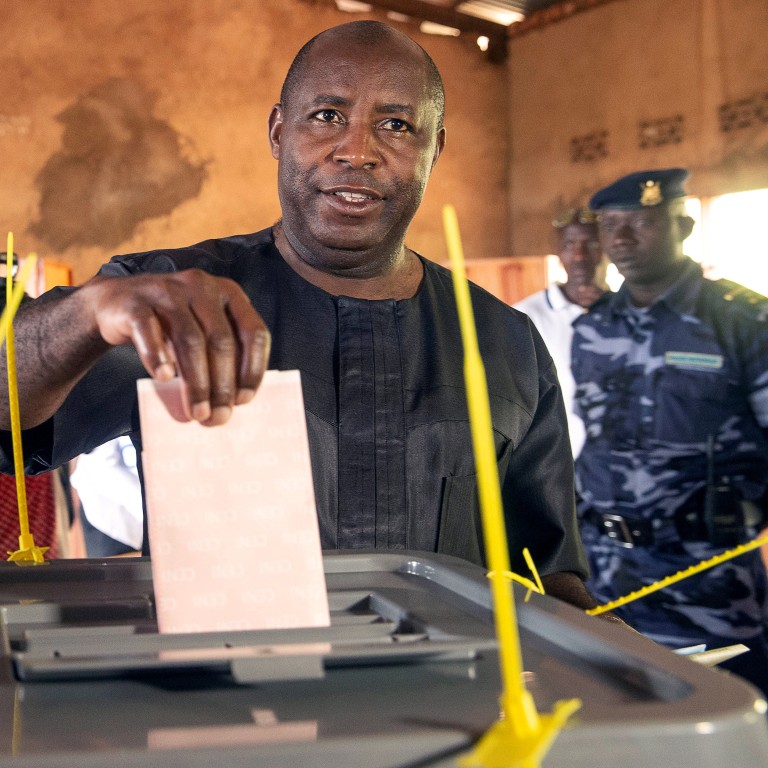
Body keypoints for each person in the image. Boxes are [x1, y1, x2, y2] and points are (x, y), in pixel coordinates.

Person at [0, 21, 600, 611]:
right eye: (327, 116)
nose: (357, 151)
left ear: (433, 148)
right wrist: (86, 314)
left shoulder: (505, 341)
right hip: (226, 698)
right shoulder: (168, 301)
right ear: (279, 131)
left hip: (453, 707)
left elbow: (549, 580)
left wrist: (619, 656)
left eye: (395, 124)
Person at [572, 167, 768, 694]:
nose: (621, 238)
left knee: (723, 721)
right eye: (610, 224)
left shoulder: (745, 321)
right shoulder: (593, 328)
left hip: (706, 578)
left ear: (683, 225)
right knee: (621, 721)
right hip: (603, 574)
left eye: (642, 222)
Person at [514, 208, 607, 457]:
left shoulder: (625, 314)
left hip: (619, 466)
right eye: (569, 245)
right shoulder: (525, 317)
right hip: (558, 462)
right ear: (557, 252)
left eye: (591, 243)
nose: (579, 255)